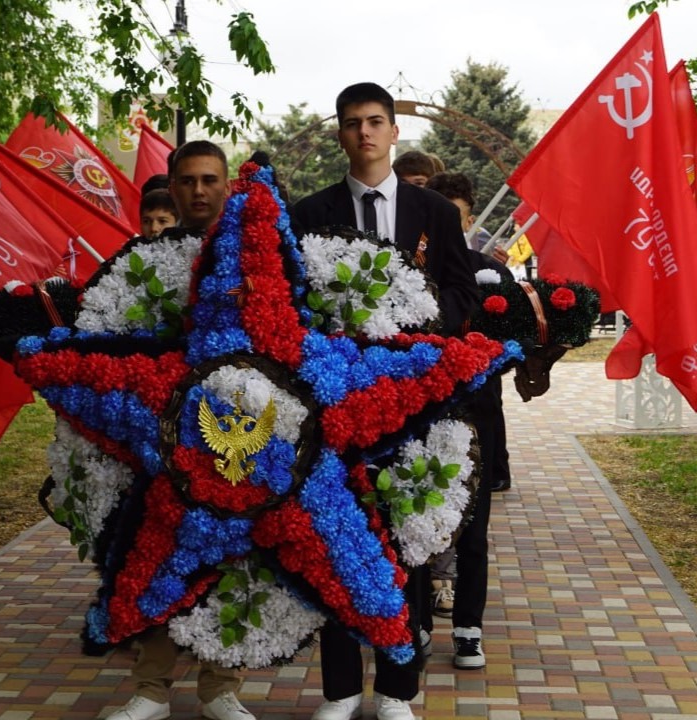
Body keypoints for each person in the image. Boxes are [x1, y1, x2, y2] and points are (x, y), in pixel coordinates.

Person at [293, 82, 479, 720]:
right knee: (340, 540)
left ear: (395, 131)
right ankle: (342, 690)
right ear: (340, 134)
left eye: (376, 122)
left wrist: (420, 330)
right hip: (340, 402)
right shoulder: (311, 213)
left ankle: (400, 690)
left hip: (415, 396)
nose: (365, 133)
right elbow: (296, 305)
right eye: (353, 124)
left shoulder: (434, 212)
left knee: (409, 538)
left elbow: (462, 292)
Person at [107, 140, 251, 720]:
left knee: (232, 560)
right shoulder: (147, 257)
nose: (198, 190)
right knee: (159, 555)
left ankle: (222, 687)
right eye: (187, 180)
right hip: (161, 431)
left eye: (209, 179)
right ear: (172, 186)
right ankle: (151, 689)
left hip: (236, 428)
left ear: (226, 185)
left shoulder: (254, 252)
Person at [424, 171, 513, 670]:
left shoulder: (492, 275)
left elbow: (518, 345)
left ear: (470, 219)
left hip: (479, 419)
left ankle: (468, 630)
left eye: (455, 218)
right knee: (416, 526)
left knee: (473, 530)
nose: (445, 227)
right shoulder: (406, 276)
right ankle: (415, 625)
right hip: (421, 417)